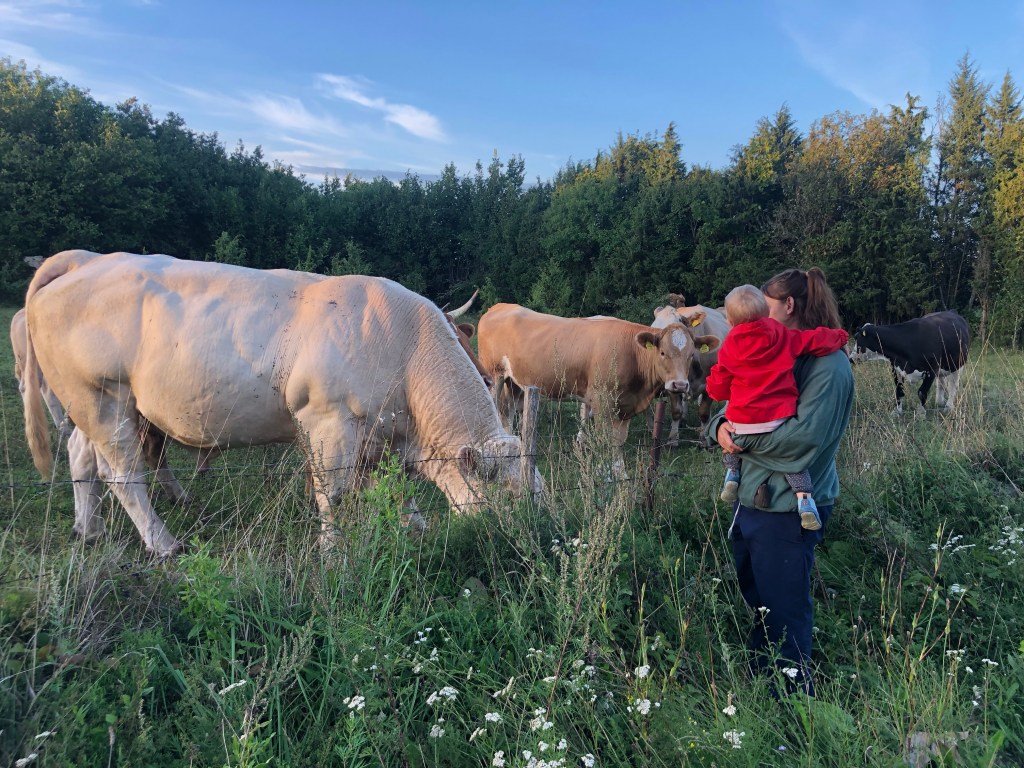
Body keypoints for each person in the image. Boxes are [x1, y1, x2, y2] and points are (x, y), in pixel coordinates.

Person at [707, 267, 854, 696]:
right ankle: (763, 680)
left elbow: (800, 443)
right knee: (760, 599)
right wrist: (719, 426)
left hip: (790, 507)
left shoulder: (828, 367)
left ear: (788, 306)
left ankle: (792, 703)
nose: (756, 318)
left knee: (783, 608)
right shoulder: (764, 348)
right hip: (755, 500)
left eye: (766, 307)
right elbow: (734, 400)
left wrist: (738, 439)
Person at [705, 284, 848, 531]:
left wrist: (719, 404)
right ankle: (805, 500)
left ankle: (731, 475)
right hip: (778, 418)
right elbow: (813, 340)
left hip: (742, 425)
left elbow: (718, 388)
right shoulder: (781, 336)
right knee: (794, 466)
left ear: (729, 321)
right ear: (764, 313)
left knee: (733, 447)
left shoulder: (729, 348)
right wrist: (841, 337)